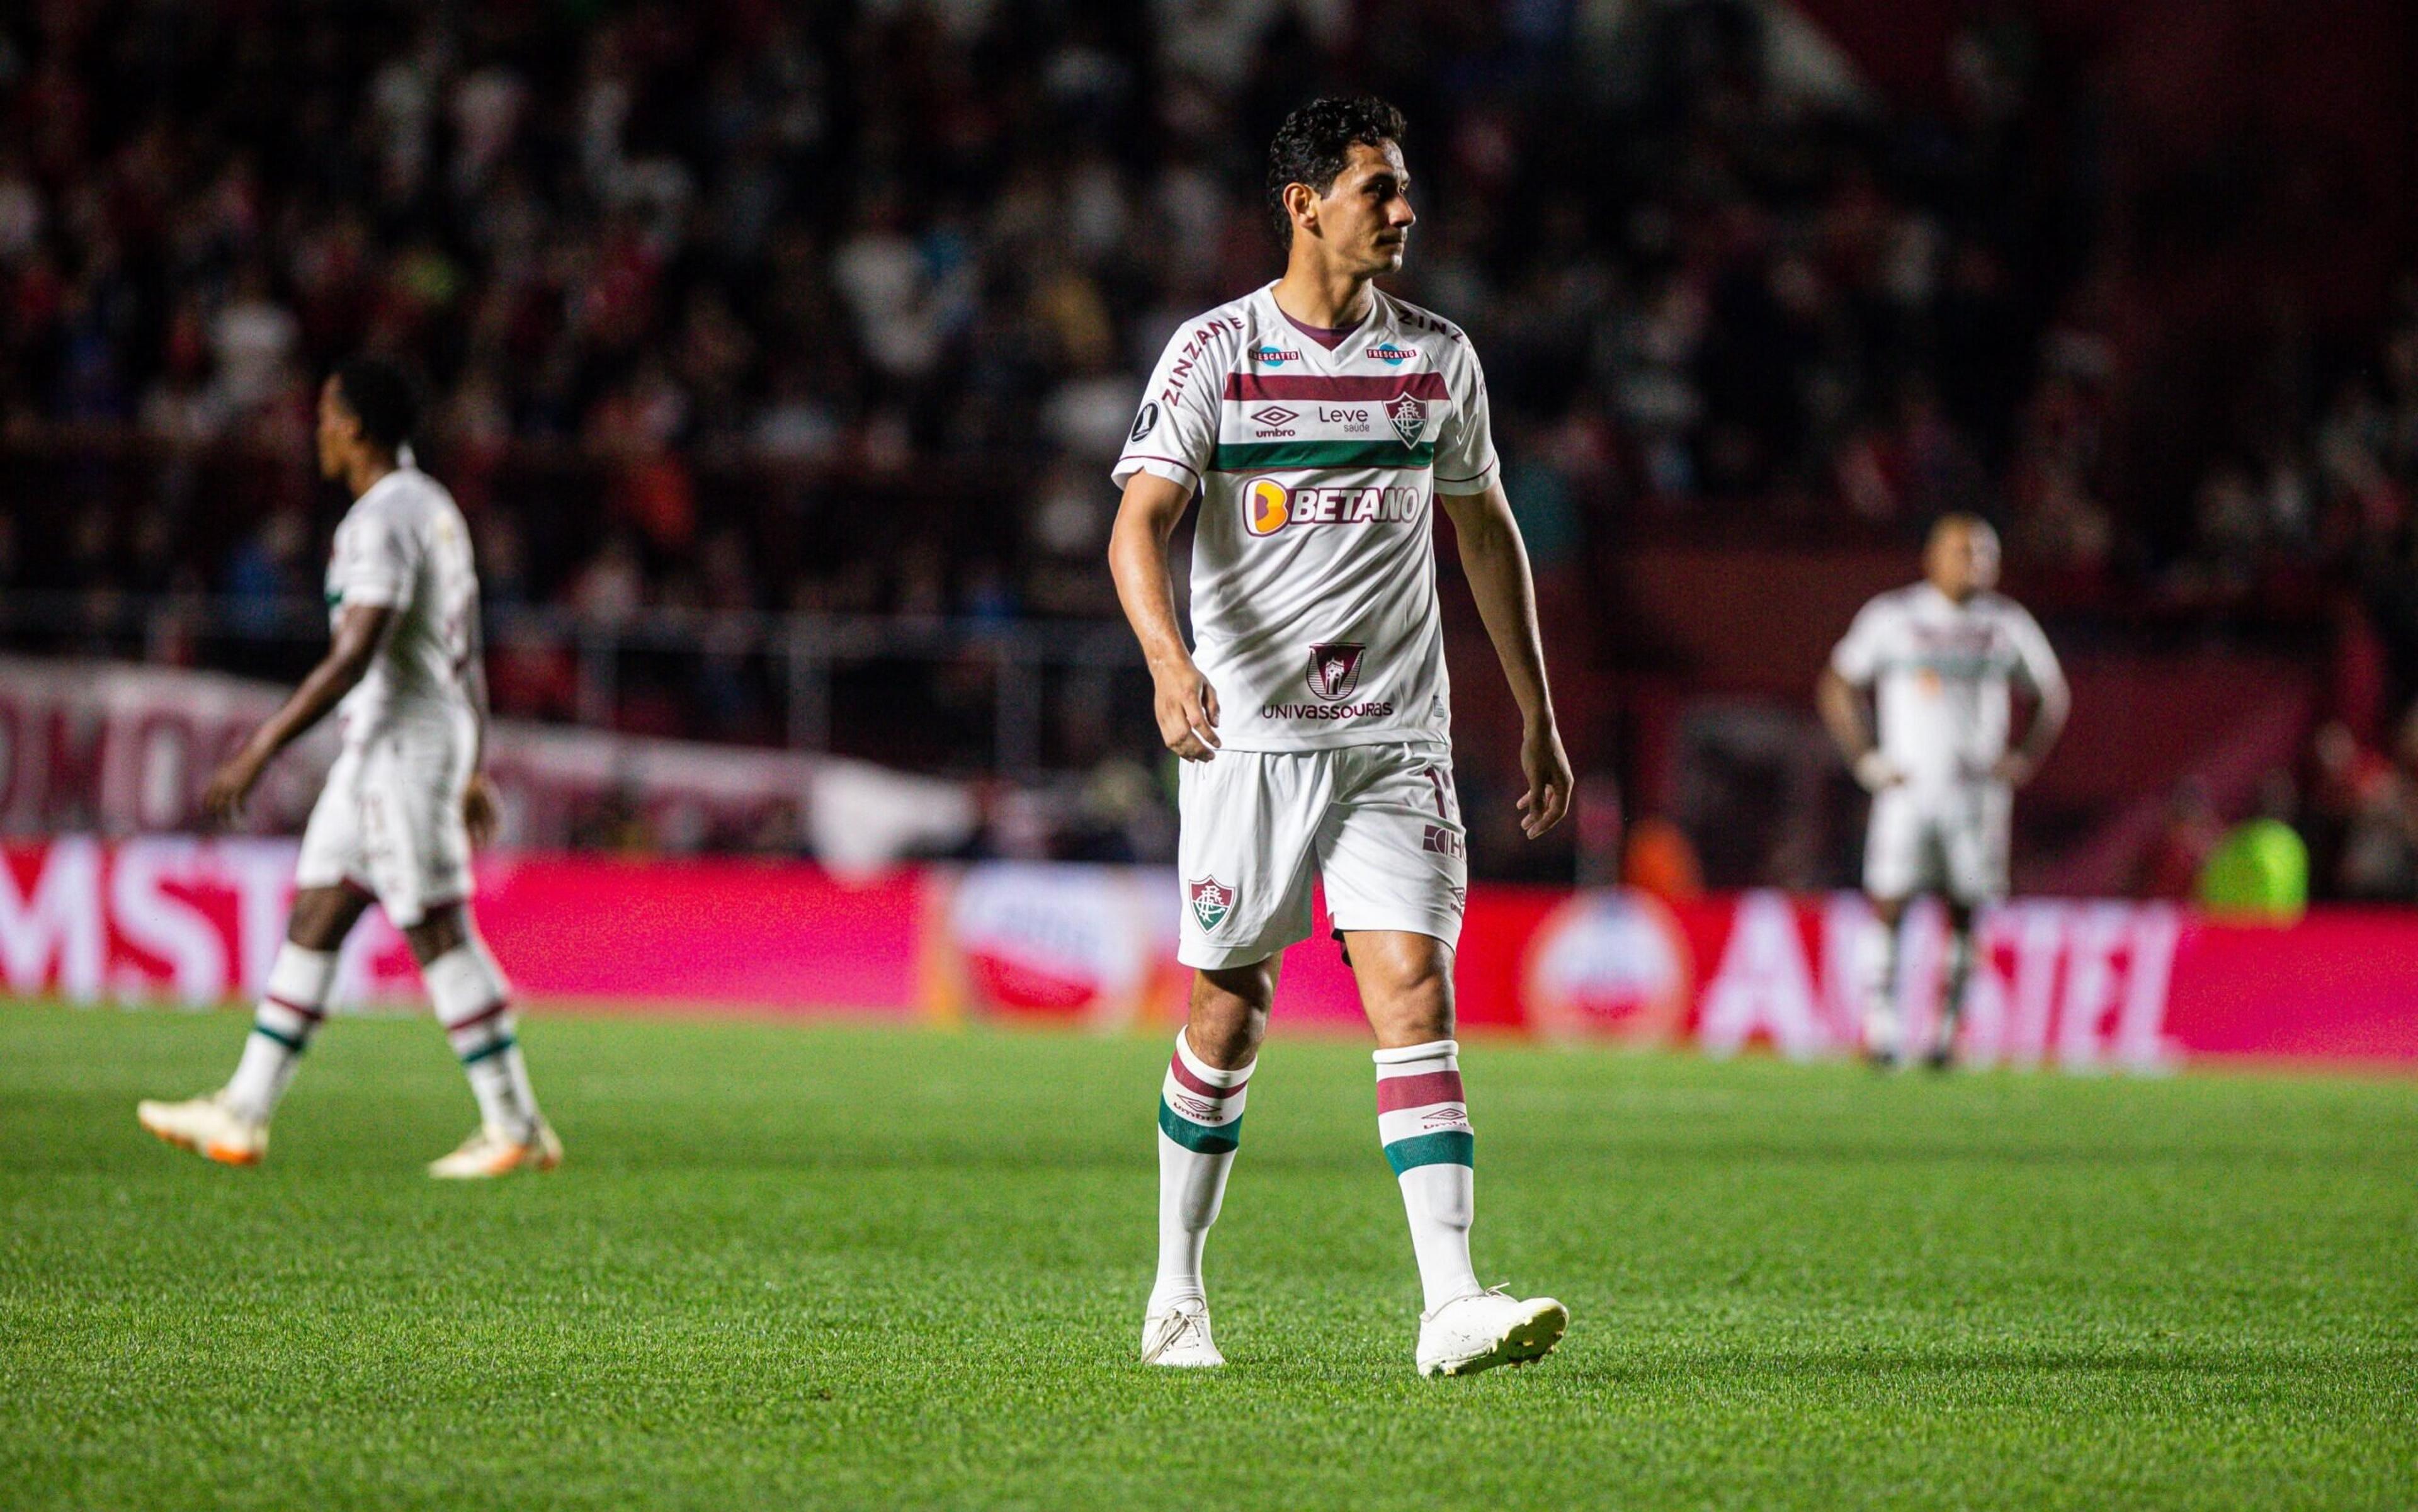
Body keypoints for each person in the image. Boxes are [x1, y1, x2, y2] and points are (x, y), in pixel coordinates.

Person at [1107, 97, 1572, 1376]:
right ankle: (1176, 1294)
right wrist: (1167, 661)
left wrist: (1534, 709)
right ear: (1305, 202)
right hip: (1248, 743)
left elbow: (1484, 531)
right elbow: (1137, 524)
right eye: (1380, 189)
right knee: (1230, 1008)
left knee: (1414, 988)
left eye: (1406, 188)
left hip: (1395, 738)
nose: (1405, 211)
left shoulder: (1438, 360)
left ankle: (1450, 1303)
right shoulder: (1214, 356)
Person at [137, 358, 560, 1177]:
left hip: (400, 749)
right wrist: (471, 757)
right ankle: (243, 1112)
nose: (317, 428)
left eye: (327, 414)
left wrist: (263, 745)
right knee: (321, 911)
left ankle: (515, 1122)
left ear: (357, 425)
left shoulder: (381, 518)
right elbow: (463, 654)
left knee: (437, 928)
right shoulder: (434, 507)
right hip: (393, 746)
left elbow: (357, 649)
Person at [1817, 515, 2069, 1069]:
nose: (1976, 562)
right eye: (1964, 551)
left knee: (1966, 912)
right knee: (1890, 903)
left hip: (1976, 798)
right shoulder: (1895, 616)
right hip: (1906, 792)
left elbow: (2052, 694)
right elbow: (1837, 683)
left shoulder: (2006, 624)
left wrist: (2023, 757)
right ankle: (1880, 1032)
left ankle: (1948, 1035)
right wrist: (1866, 758)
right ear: (1933, 557)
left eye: (1985, 553)